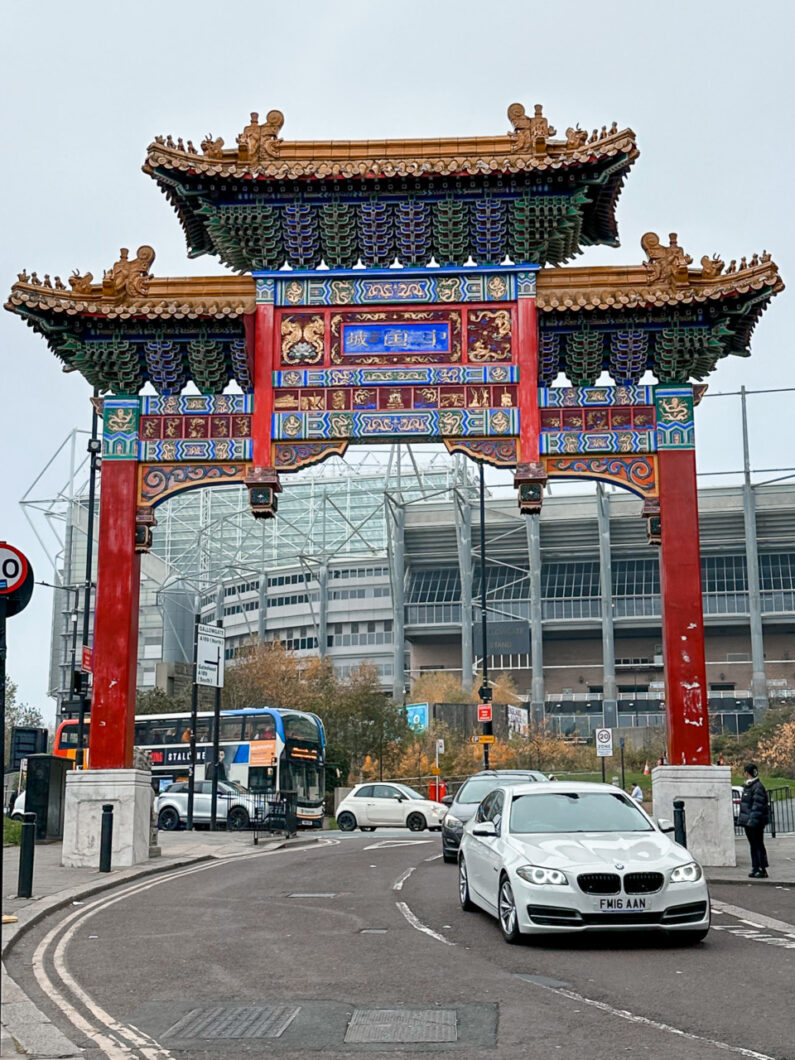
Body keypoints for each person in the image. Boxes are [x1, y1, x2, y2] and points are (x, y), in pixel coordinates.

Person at [737, 763, 769, 878]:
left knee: (758, 845)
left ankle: (762, 868)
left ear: (747, 773)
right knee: (753, 845)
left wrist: (751, 822)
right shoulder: (750, 786)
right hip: (750, 822)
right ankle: (755, 867)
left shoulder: (757, 787)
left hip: (755, 823)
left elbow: (757, 806)